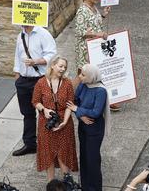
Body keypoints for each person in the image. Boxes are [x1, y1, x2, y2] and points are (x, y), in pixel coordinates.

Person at [12, 24, 57, 156]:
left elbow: (52, 55)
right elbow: (17, 55)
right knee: (27, 113)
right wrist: (17, 74)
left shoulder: (43, 33)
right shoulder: (20, 35)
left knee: (45, 112)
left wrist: (36, 61)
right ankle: (30, 144)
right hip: (23, 80)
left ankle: (49, 145)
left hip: (39, 79)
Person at [32, 55, 78, 183]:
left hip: (64, 123)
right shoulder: (41, 83)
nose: (63, 69)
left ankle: (67, 182)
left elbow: (70, 104)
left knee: (64, 152)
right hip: (46, 122)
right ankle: (50, 183)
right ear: (52, 65)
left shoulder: (67, 83)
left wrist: (65, 121)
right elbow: (35, 101)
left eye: (65, 67)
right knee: (48, 154)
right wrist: (44, 110)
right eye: (60, 66)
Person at [66, 63, 111, 191]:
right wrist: (81, 116)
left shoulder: (100, 90)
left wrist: (78, 110)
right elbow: (73, 102)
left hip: (94, 129)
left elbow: (96, 112)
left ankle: (95, 188)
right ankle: (85, 186)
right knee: (84, 158)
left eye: (83, 75)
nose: (80, 76)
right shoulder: (83, 85)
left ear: (91, 76)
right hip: (83, 126)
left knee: (93, 159)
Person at [74, 0, 119, 111]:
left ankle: (106, 100)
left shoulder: (93, 8)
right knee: (82, 75)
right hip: (85, 48)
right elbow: (80, 31)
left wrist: (103, 15)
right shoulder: (82, 11)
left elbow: (95, 23)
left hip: (95, 47)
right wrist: (98, 34)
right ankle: (66, 96)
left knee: (95, 73)